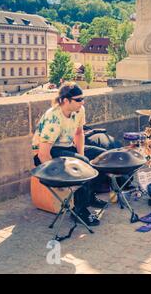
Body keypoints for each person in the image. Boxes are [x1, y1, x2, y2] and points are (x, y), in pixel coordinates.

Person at [32, 83, 107, 226]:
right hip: (48, 153)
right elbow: (42, 153)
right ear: (66, 100)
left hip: (67, 147)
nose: (82, 102)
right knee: (83, 165)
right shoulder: (53, 118)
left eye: (83, 98)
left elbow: (79, 133)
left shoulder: (79, 110)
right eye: (78, 99)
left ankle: (90, 196)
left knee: (101, 158)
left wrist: (82, 156)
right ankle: (79, 210)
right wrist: (55, 178)